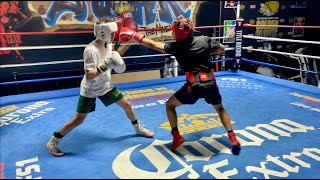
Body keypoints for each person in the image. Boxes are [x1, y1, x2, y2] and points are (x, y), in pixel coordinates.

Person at [118, 15, 241, 154]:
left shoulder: (176, 47)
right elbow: (222, 48)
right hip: (211, 83)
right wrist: (209, 50)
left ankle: (176, 136)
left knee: (170, 105)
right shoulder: (204, 40)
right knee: (220, 109)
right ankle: (232, 137)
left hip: (193, 87)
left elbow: (153, 44)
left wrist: (134, 35)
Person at [46, 17, 154, 157]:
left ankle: (138, 128)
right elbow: (89, 74)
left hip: (106, 86)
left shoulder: (108, 44)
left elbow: (111, 59)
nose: (114, 35)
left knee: (127, 105)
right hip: (90, 89)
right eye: (112, 33)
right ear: (104, 32)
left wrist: (116, 60)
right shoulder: (90, 50)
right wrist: (106, 65)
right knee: (79, 119)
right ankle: (53, 141)